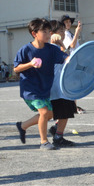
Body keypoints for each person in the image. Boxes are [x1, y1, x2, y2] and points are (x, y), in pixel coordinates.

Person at [14, 18, 68, 150]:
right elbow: (16, 69)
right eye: (44, 31)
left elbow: (65, 57)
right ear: (34, 33)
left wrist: (72, 59)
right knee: (44, 112)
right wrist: (30, 64)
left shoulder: (51, 49)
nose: (48, 34)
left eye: (49, 31)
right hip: (30, 90)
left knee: (50, 114)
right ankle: (43, 142)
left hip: (45, 89)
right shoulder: (25, 50)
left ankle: (23, 126)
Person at [48, 20, 75, 147]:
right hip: (58, 87)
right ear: (52, 33)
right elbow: (69, 59)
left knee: (61, 111)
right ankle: (58, 136)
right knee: (65, 111)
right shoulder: (53, 48)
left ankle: (56, 129)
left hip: (57, 86)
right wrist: (60, 43)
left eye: (64, 31)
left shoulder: (52, 48)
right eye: (61, 31)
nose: (63, 34)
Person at [59, 14, 85, 114]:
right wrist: (77, 32)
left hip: (74, 60)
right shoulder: (64, 34)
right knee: (72, 85)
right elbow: (72, 45)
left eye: (69, 21)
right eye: (66, 22)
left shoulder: (69, 33)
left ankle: (73, 105)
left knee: (74, 84)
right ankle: (72, 106)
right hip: (70, 61)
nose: (68, 23)